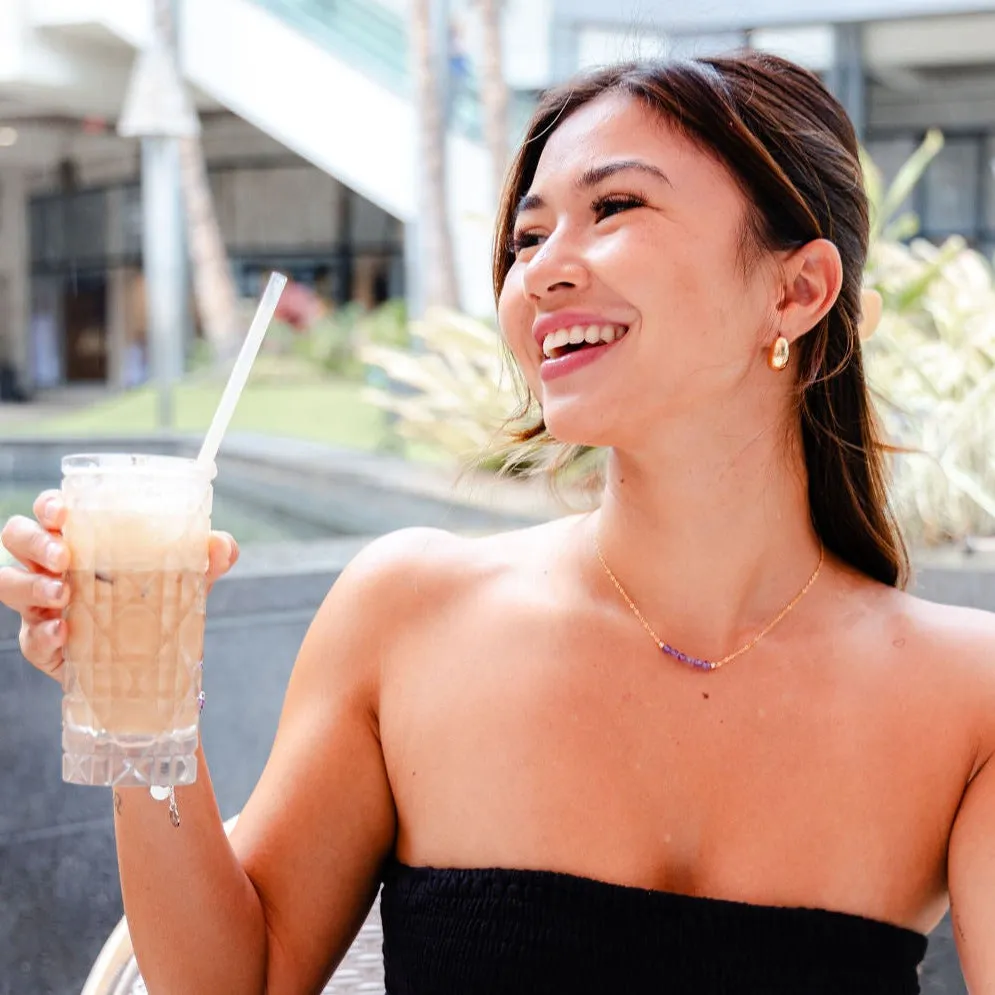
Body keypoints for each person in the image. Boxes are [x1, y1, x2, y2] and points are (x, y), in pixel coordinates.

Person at [3, 53, 994, 994]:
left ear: (796, 290)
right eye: (526, 237)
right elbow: (236, 979)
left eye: (613, 206)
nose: (541, 272)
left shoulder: (967, 697)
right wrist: (138, 708)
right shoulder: (409, 612)